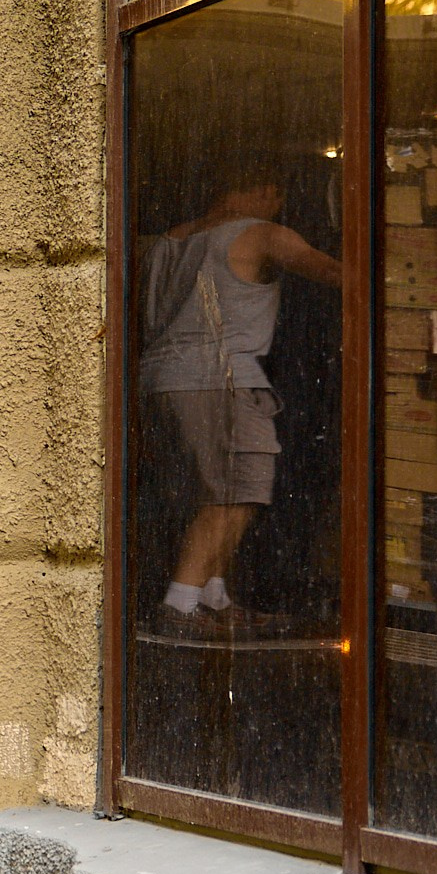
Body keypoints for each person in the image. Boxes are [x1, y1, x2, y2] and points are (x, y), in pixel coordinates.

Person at [140, 172, 340, 636]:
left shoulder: (171, 240)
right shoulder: (262, 234)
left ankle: (212, 596)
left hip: (161, 379)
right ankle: (180, 605)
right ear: (267, 189)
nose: (278, 203)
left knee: (219, 491)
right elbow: (332, 272)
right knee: (236, 491)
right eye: (278, 193)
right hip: (220, 379)